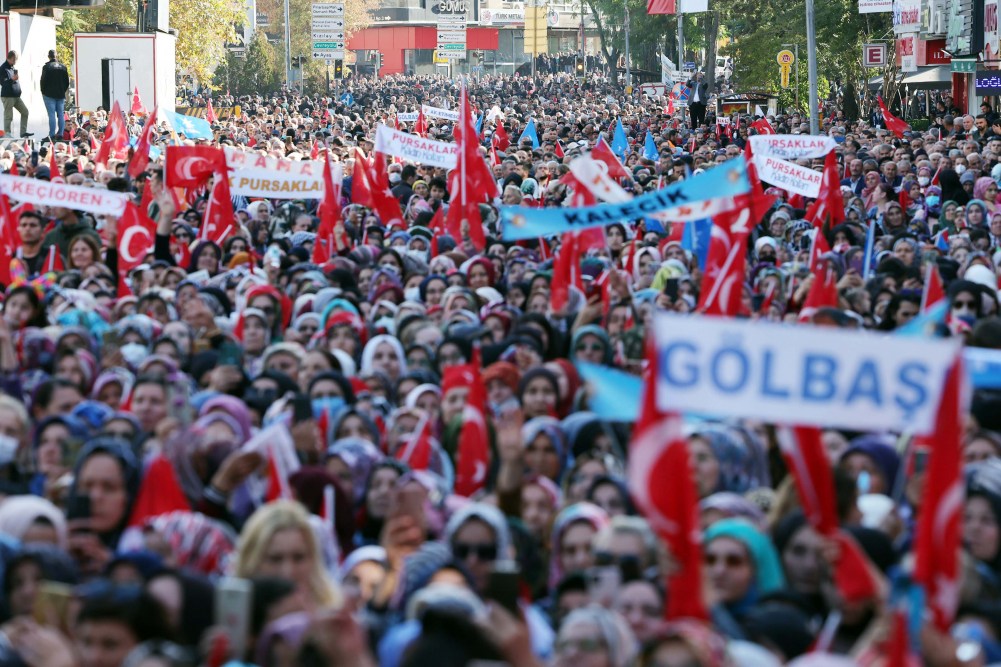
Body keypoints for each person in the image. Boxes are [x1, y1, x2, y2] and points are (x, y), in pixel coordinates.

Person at [40, 49, 69, 140]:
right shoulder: (63, 67)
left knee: (51, 115)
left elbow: (43, 80)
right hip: (60, 94)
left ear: (49, 56)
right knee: (60, 114)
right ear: (56, 56)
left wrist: (43, 91)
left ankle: (52, 134)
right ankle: (60, 134)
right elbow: (66, 82)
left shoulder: (47, 67)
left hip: (49, 94)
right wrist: (62, 90)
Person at [0, 50, 30, 137]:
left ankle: (23, 132)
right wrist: (12, 79)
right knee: (8, 115)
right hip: (7, 96)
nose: (15, 61)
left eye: (16, 59)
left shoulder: (12, 67)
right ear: (9, 58)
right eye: (14, 59)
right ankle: (7, 133)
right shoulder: (3, 68)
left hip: (16, 96)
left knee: (25, 111)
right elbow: (3, 83)